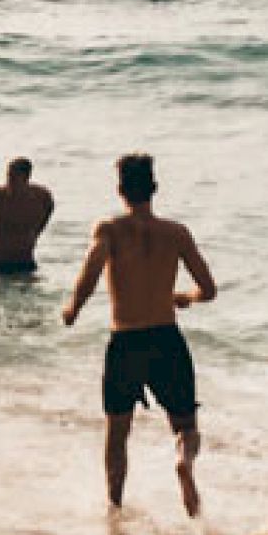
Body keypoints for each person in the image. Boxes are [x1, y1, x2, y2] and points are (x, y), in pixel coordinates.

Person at [61, 153, 216, 516]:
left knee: (117, 434)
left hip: (126, 342)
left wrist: (73, 309)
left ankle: (114, 508)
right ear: (155, 189)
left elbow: (91, 272)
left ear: (120, 191)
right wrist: (185, 297)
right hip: (166, 338)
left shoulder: (109, 229)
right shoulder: (176, 233)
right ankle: (183, 461)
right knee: (185, 426)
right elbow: (207, 288)